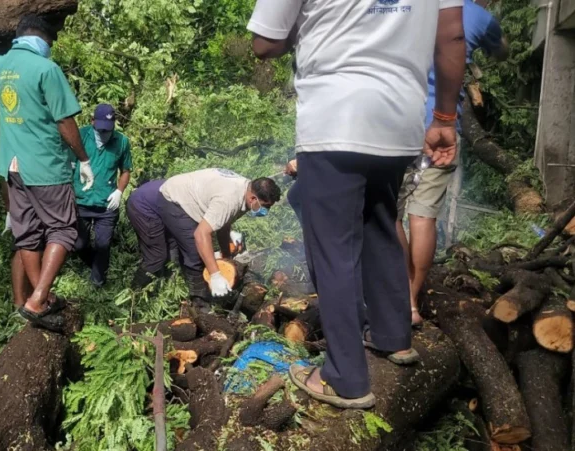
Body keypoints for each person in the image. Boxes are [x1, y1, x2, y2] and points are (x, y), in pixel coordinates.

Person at [249, 0, 466, 408]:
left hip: (336, 118)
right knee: (380, 222)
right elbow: (452, 34)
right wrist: (445, 118)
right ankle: (393, 337)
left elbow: (265, 43)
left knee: (332, 247)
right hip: (400, 116)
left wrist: (311, 27)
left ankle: (344, 377)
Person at [0, 3, 95, 331]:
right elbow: (65, 122)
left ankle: (39, 299)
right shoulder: (46, 70)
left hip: (12, 169)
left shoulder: (0, 66)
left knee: (27, 234)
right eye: (51, 41)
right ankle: (38, 296)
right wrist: (84, 160)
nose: (51, 47)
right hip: (44, 165)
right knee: (64, 229)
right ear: (41, 37)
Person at [397, 0, 508, 327]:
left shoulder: (401, 6)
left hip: (397, 124)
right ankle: (411, 304)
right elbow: (502, 49)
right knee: (423, 216)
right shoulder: (475, 14)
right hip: (443, 127)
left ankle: (394, 292)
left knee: (387, 213)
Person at [131, 169, 281, 310]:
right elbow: (200, 235)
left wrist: (226, 256)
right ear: (253, 198)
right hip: (171, 200)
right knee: (185, 252)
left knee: (176, 250)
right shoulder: (229, 200)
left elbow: (224, 224)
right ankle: (197, 301)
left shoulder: (245, 192)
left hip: (180, 195)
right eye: (265, 206)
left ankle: (170, 283)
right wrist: (215, 275)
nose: (266, 211)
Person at [72, 104, 133, 287]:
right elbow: (67, 162)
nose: (104, 133)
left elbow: (126, 170)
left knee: (103, 245)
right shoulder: (80, 135)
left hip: (106, 204)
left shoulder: (121, 142)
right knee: (78, 245)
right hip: (81, 201)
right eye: (100, 130)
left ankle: (98, 284)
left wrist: (119, 192)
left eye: (108, 130)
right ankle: (95, 264)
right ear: (92, 122)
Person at [126, 179, 175, 289]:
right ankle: (135, 292)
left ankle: (168, 284)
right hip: (144, 207)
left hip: (155, 204)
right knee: (156, 256)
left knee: (173, 243)